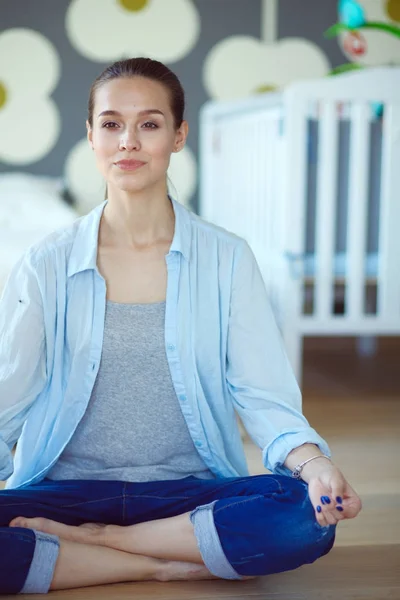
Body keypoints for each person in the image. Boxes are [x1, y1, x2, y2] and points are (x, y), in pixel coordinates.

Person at [0, 57, 362, 595]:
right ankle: (160, 561)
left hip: (189, 492)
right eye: (111, 124)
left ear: (177, 136)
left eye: (149, 124)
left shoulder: (228, 259)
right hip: (65, 491)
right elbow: (10, 394)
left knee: (303, 515)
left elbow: (263, 396)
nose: (128, 141)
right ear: (91, 135)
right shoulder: (44, 262)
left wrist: (315, 465)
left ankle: (97, 546)